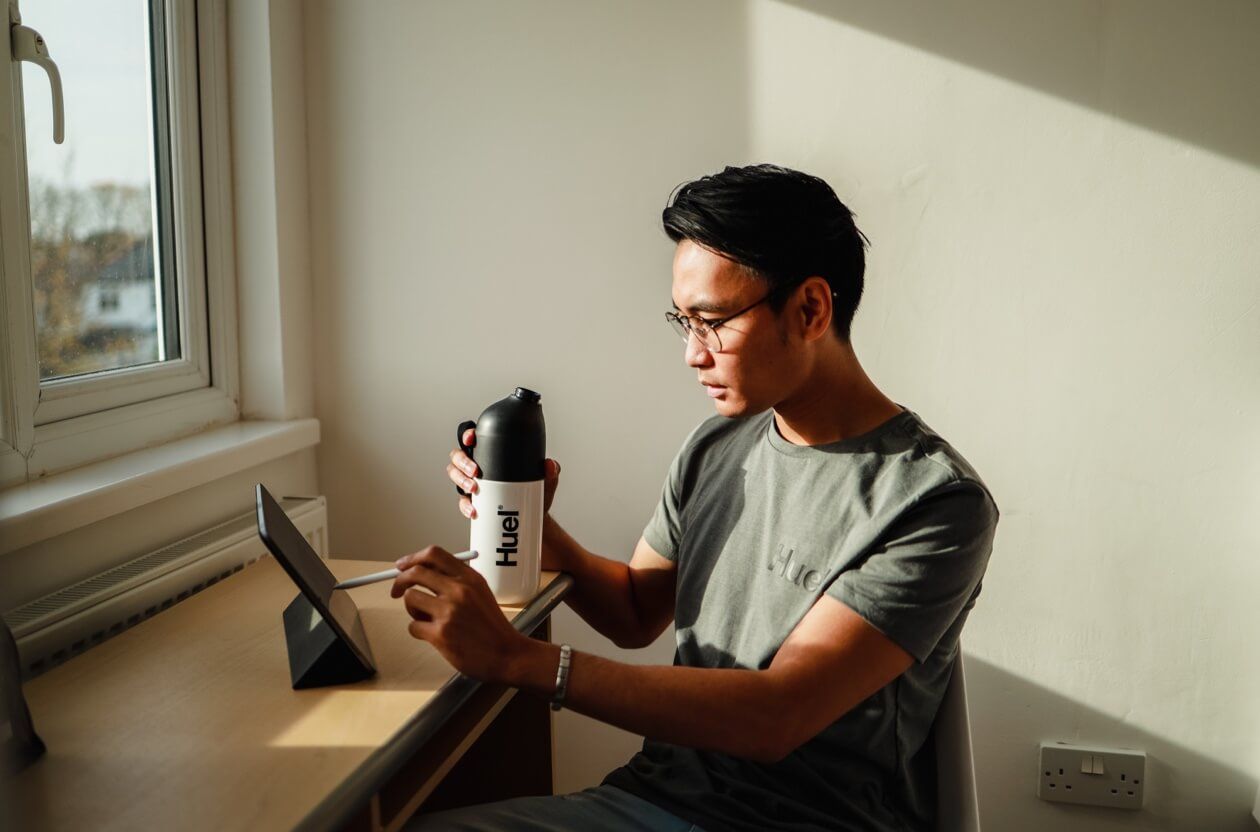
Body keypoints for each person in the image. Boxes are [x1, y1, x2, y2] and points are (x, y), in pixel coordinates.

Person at [397, 164, 999, 831]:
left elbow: (778, 715)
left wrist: (519, 660)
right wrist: (530, 521)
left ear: (809, 310)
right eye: (681, 322)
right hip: (654, 796)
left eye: (711, 322)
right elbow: (634, 611)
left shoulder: (935, 502)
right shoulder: (717, 448)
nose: (691, 354)